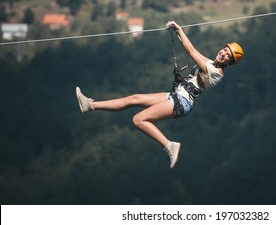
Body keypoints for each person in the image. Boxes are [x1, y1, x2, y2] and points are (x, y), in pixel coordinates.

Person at [76, 21, 243, 169]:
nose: (223, 54)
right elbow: (195, 52)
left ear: (229, 62)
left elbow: (191, 51)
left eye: (228, 55)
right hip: (175, 95)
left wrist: (179, 29)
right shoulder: (210, 63)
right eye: (224, 50)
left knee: (138, 120)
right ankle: (90, 105)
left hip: (181, 102)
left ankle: (170, 145)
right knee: (133, 99)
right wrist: (177, 32)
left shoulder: (216, 72)